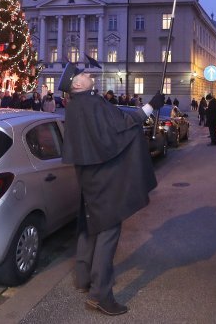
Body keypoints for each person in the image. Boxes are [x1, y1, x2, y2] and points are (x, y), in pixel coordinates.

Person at [59, 63, 164, 316]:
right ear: (77, 84)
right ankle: (100, 295)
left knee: (89, 226)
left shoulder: (74, 107)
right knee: (108, 231)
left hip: (88, 177)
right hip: (104, 180)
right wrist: (152, 105)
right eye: (84, 74)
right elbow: (125, 124)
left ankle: (84, 278)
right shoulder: (93, 103)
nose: (89, 75)